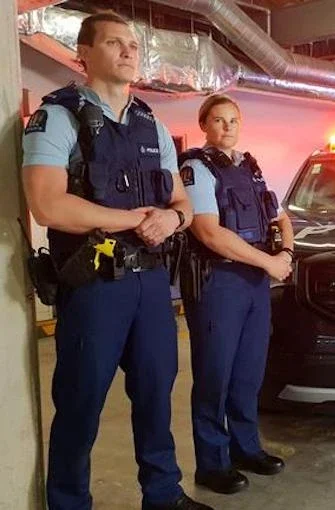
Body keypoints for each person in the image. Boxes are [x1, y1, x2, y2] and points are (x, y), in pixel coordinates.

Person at [21, 11, 212, 510]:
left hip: (151, 285)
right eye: (115, 43)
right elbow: (47, 205)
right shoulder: (57, 117)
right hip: (94, 284)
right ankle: (68, 503)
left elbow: (181, 204)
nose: (130, 51)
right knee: (82, 404)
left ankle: (163, 494)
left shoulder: (151, 122)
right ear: (83, 54)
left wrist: (172, 221)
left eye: (133, 44)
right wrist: (131, 219)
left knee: (155, 394)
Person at [179, 94, 293, 495]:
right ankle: (212, 464)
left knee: (248, 374)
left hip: (254, 285)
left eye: (233, 120)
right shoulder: (196, 168)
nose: (227, 127)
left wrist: (287, 252)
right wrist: (269, 263)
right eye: (218, 121)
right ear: (204, 126)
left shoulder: (253, 167)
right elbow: (209, 232)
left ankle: (245, 449)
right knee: (215, 376)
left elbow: (281, 217)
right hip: (219, 284)